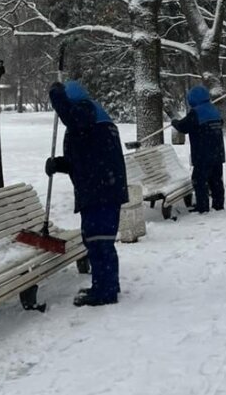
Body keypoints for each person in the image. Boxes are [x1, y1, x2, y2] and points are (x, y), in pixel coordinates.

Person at [46, 80, 128, 307]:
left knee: (99, 241)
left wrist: (56, 95)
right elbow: (84, 159)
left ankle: (105, 291)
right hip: (101, 187)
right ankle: (106, 284)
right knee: (96, 240)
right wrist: (59, 164)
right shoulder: (91, 120)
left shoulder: (86, 110)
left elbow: (71, 117)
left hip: (101, 190)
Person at [171, 85, 225, 213]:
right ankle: (218, 204)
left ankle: (203, 206)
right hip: (218, 152)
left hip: (203, 154)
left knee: (199, 180)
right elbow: (221, 123)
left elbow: (184, 127)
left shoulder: (196, 112)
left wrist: (175, 122)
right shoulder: (214, 110)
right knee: (216, 180)